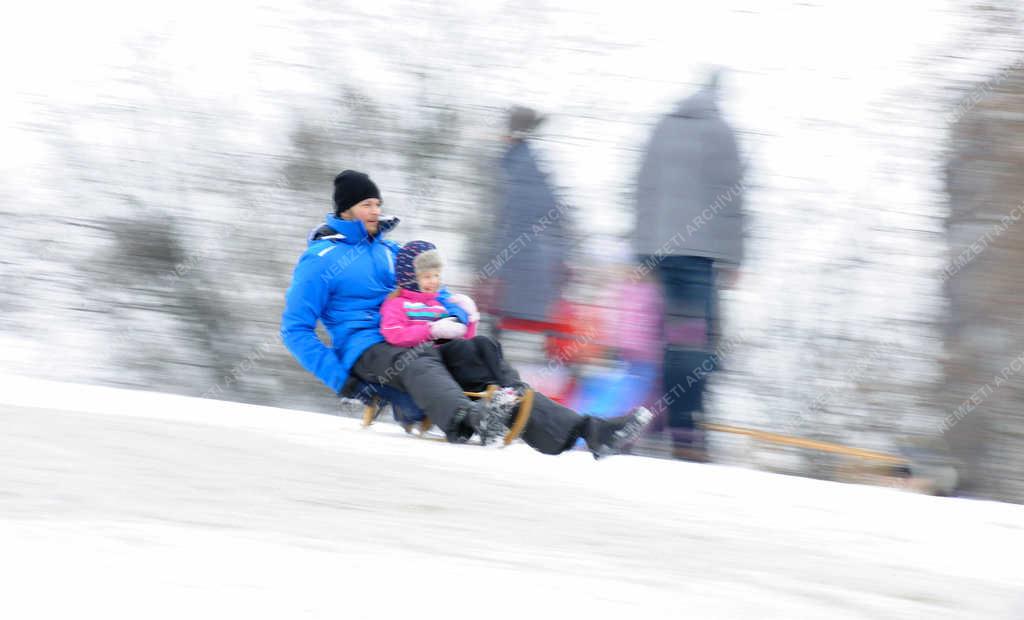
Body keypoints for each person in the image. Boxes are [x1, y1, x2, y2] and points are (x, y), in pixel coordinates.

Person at [281, 169, 651, 456]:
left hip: (418, 335)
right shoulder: (319, 260)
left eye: (378, 203)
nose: (376, 211)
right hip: (367, 350)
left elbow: (428, 292)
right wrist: (345, 383)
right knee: (417, 358)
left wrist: (455, 310)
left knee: (481, 350)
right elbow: (295, 330)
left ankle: (590, 432)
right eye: (367, 205)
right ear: (346, 209)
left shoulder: (391, 251)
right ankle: (473, 419)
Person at [633, 70, 746, 461]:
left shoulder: (661, 127)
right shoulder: (722, 132)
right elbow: (732, 199)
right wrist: (734, 257)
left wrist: (642, 251)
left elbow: (642, 187)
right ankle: (685, 430)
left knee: (677, 339)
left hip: (660, 252)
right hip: (698, 257)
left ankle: (667, 420)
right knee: (694, 341)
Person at [380, 239, 519, 392]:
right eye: (427, 277)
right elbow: (394, 334)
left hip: (453, 353)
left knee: (485, 342)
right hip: (430, 356)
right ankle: (482, 391)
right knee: (459, 347)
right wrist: (430, 330)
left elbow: (465, 339)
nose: (433, 281)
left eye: (437, 276)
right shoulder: (397, 304)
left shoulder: (441, 304)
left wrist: (471, 321)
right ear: (410, 278)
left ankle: (511, 386)